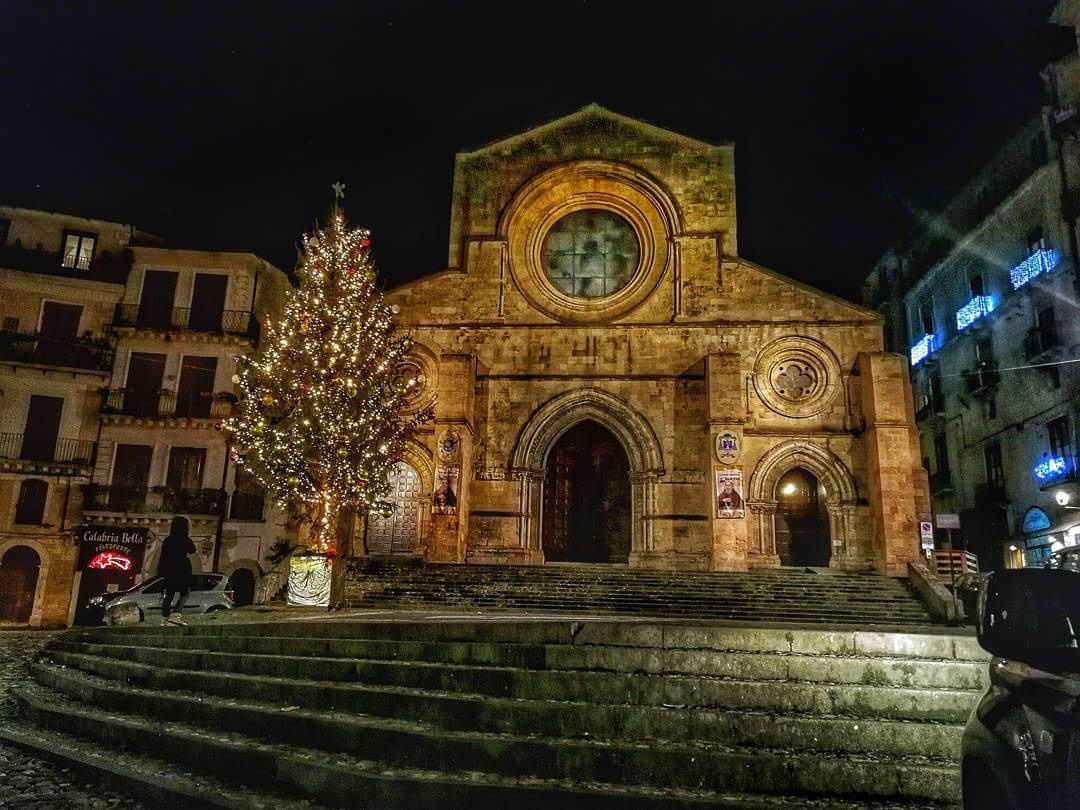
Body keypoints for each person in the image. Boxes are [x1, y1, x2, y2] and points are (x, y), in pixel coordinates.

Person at [158, 515, 195, 626]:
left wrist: (161, 571)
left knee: (169, 594)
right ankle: (176, 615)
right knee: (185, 593)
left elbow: (163, 556)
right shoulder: (184, 539)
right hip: (181, 570)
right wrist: (188, 536)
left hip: (169, 571)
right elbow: (192, 550)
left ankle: (164, 620)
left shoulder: (168, 540)